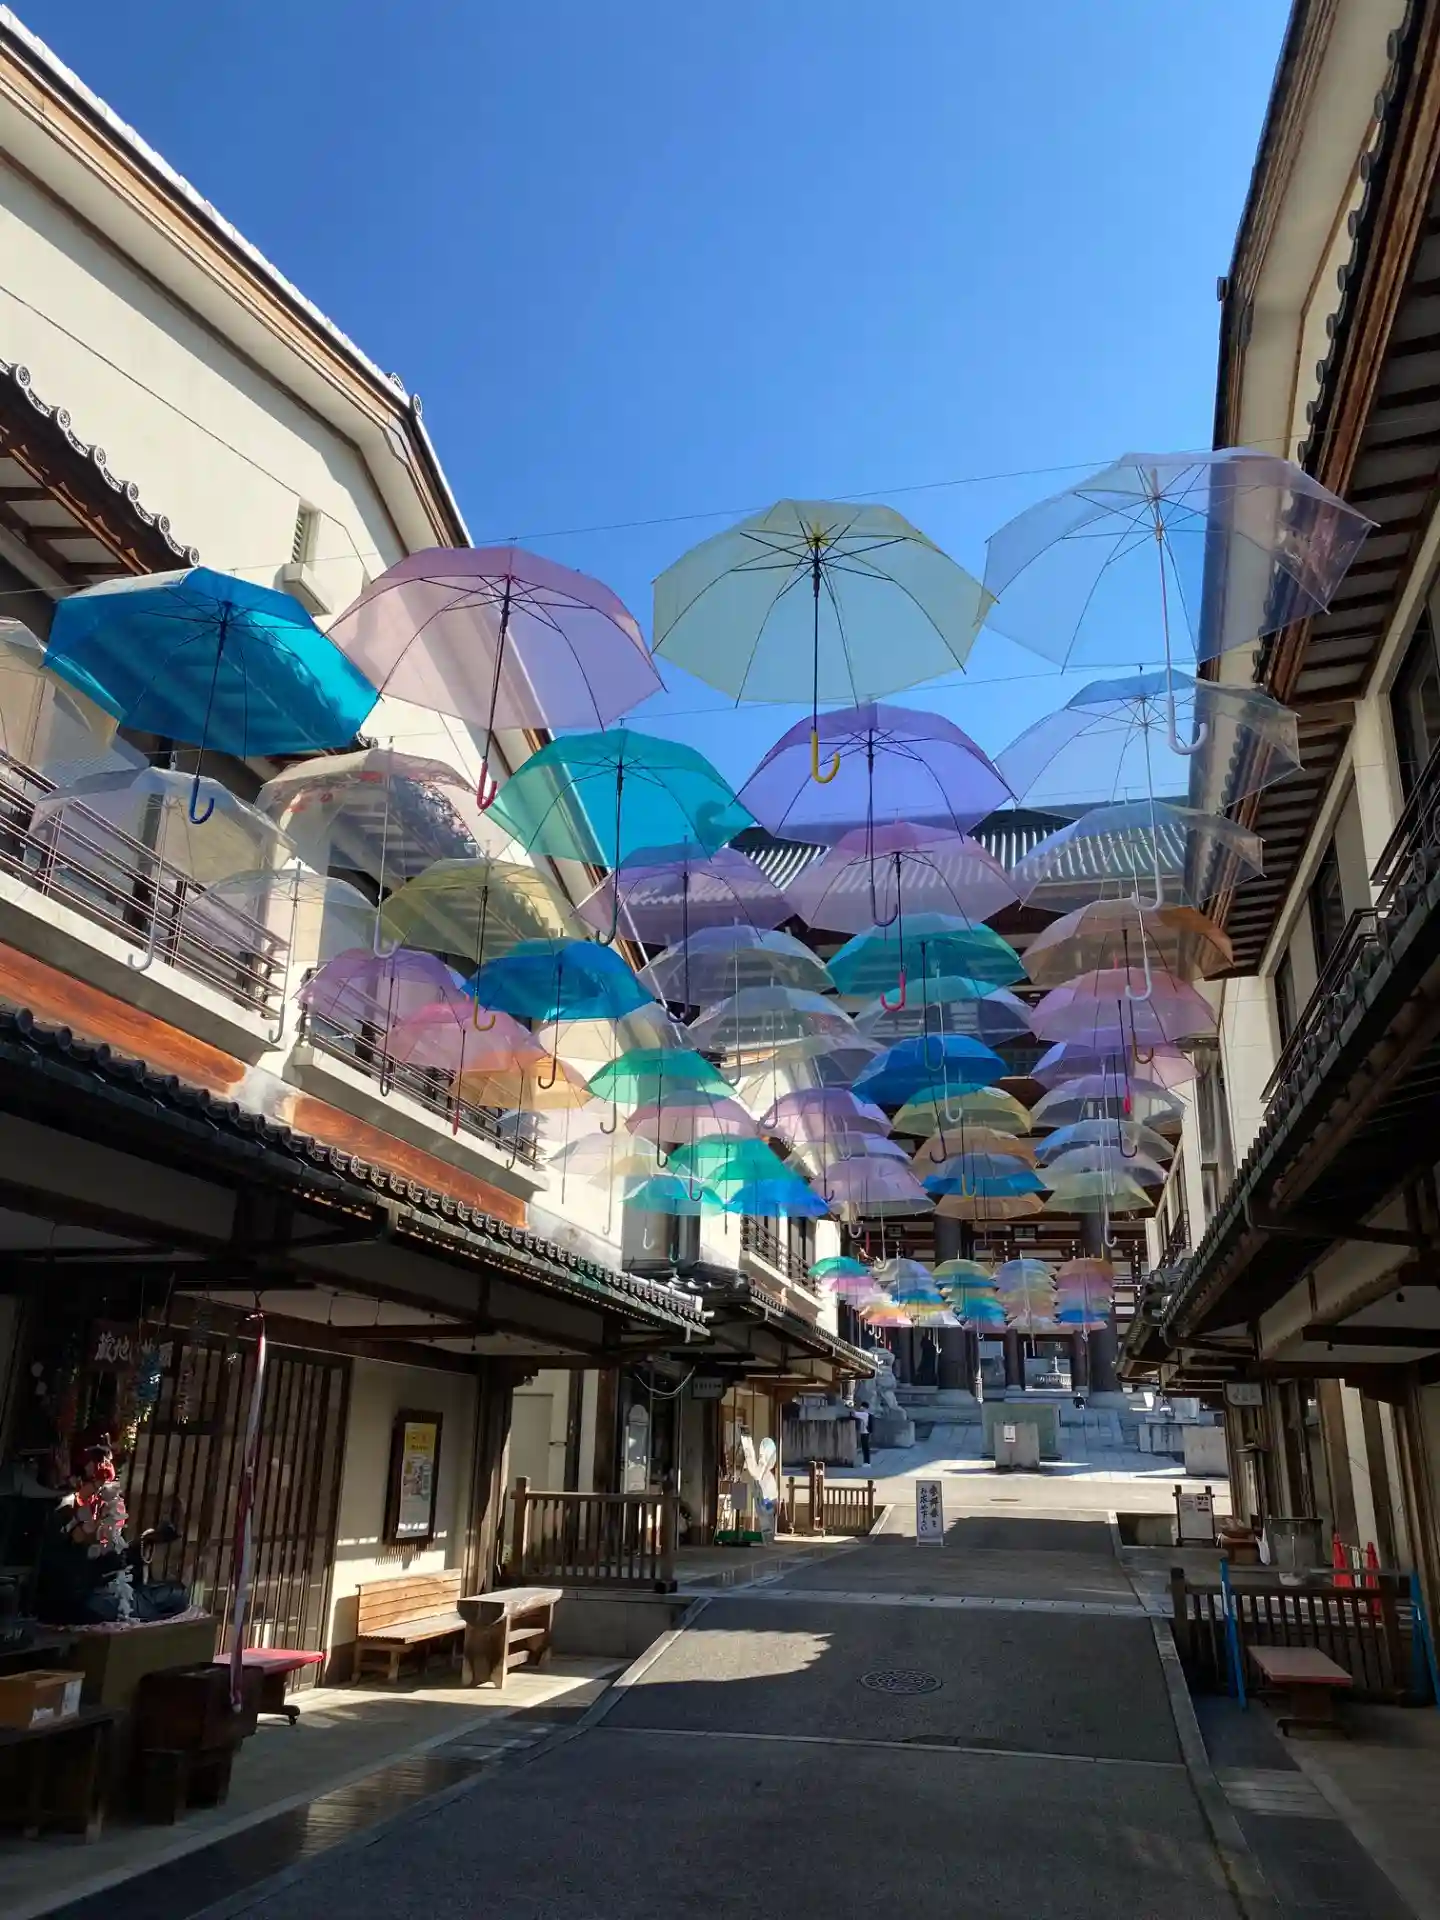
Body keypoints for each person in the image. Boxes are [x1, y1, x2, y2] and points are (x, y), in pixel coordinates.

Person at [852, 1399, 872, 1466]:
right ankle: (866, 1462)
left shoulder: (864, 1414)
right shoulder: (866, 1414)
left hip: (864, 1433)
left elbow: (854, 1414)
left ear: (864, 1407)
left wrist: (851, 1406)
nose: (860, 1408)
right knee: (865, 1448)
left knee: (865, 1448)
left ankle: (867, 1463)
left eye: (861, 1407)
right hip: (866, 1433)